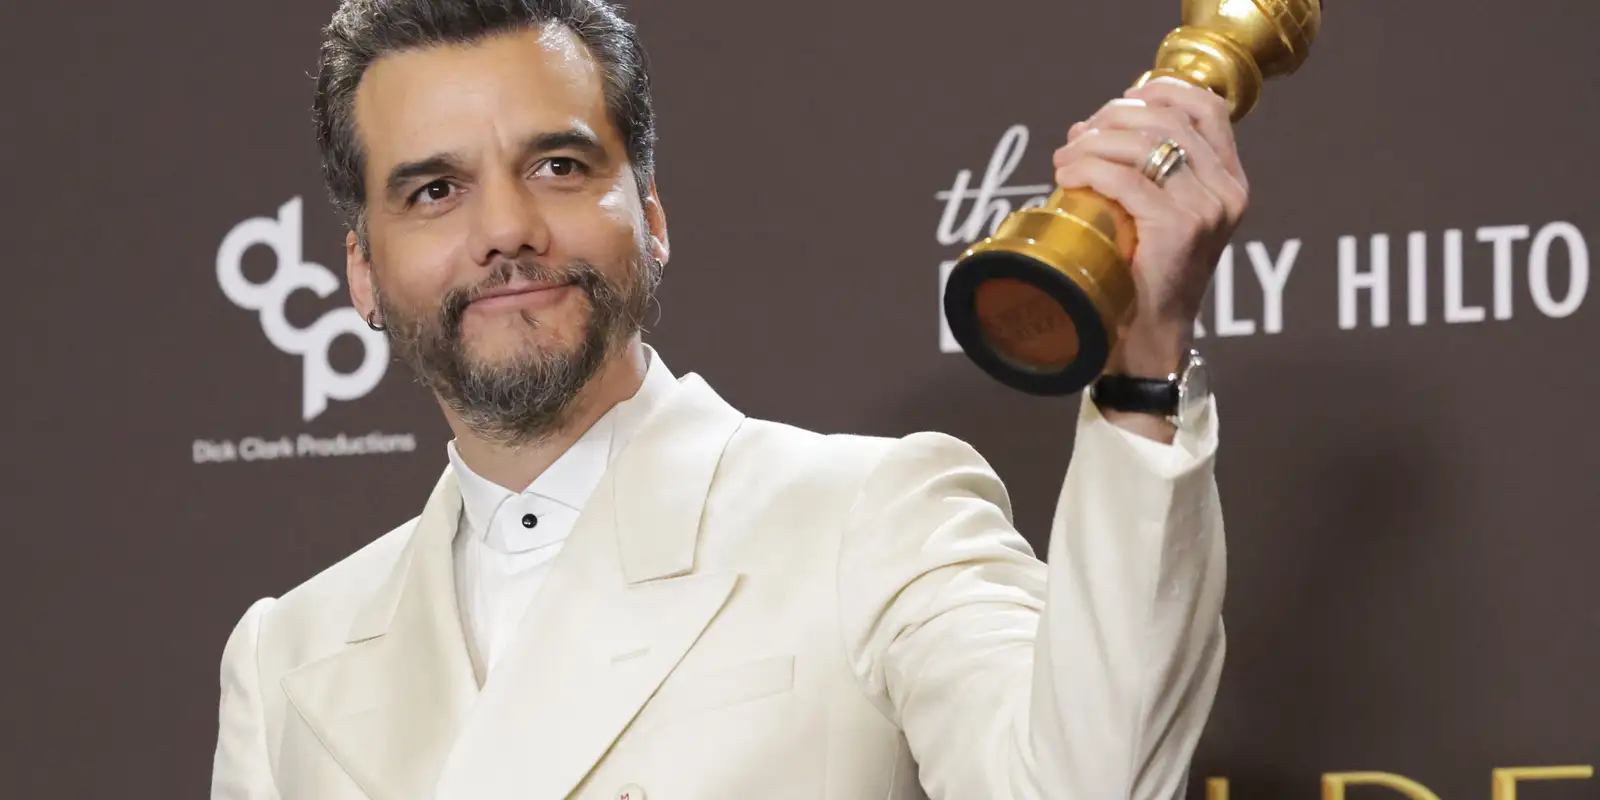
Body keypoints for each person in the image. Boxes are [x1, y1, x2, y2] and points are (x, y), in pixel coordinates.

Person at [210, 1, 1248, 798]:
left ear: (651, 215)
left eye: (558, 165)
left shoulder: (869, 515)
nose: (505, 229)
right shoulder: (287, 652)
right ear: (361, 270)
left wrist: (1142, 363)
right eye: (435, 190)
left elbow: (1083, 784)